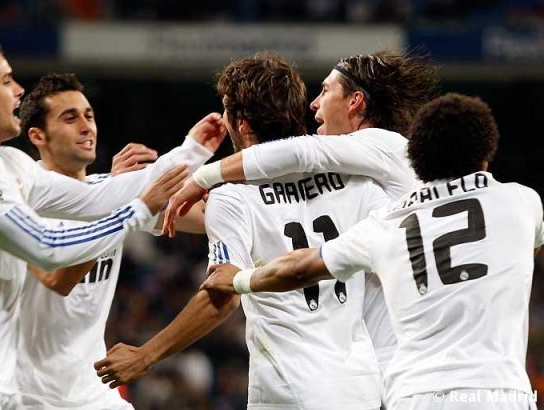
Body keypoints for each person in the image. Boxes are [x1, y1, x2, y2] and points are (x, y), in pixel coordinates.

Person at [0, 33, 222, 409]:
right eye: (5, 80)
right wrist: (138, 209)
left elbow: (96, 196)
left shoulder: (11, 164)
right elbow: (47, 246)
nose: (18, 90)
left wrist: (191, 150)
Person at [202, 93, 544, 410]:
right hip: (501, 392)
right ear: (485, 156)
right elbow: (529, 250)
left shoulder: (387, 224)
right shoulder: (522, 201)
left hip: (416, 395)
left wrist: (240, 280)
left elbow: (298, 268)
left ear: (417, 160)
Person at [95, 52, 393, 409]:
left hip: (288, 387)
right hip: (360, 385)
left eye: (226, 110)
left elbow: (222, 296)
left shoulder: (234, 196)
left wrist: (146, 354)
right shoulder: (357, 180)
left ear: (243, 124)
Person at [164, 51, 439, 378]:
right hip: (371, 366)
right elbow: (216, 214)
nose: (314, 103)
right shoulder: (357, 180)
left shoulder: (385, 145)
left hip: (399, 358)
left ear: (355, 101)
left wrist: (202, 176)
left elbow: (301, 151)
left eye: (325, 91)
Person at [15, 72, 206, 410]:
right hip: (29, 394)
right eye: (70, 118)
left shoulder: (113, 191)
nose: (86, 127)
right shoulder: (20, 198)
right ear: (37, 135)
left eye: (88, 116)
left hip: (92, 391)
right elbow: (58, 282)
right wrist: (121, 206)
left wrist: (222, 180)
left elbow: (204, 218)